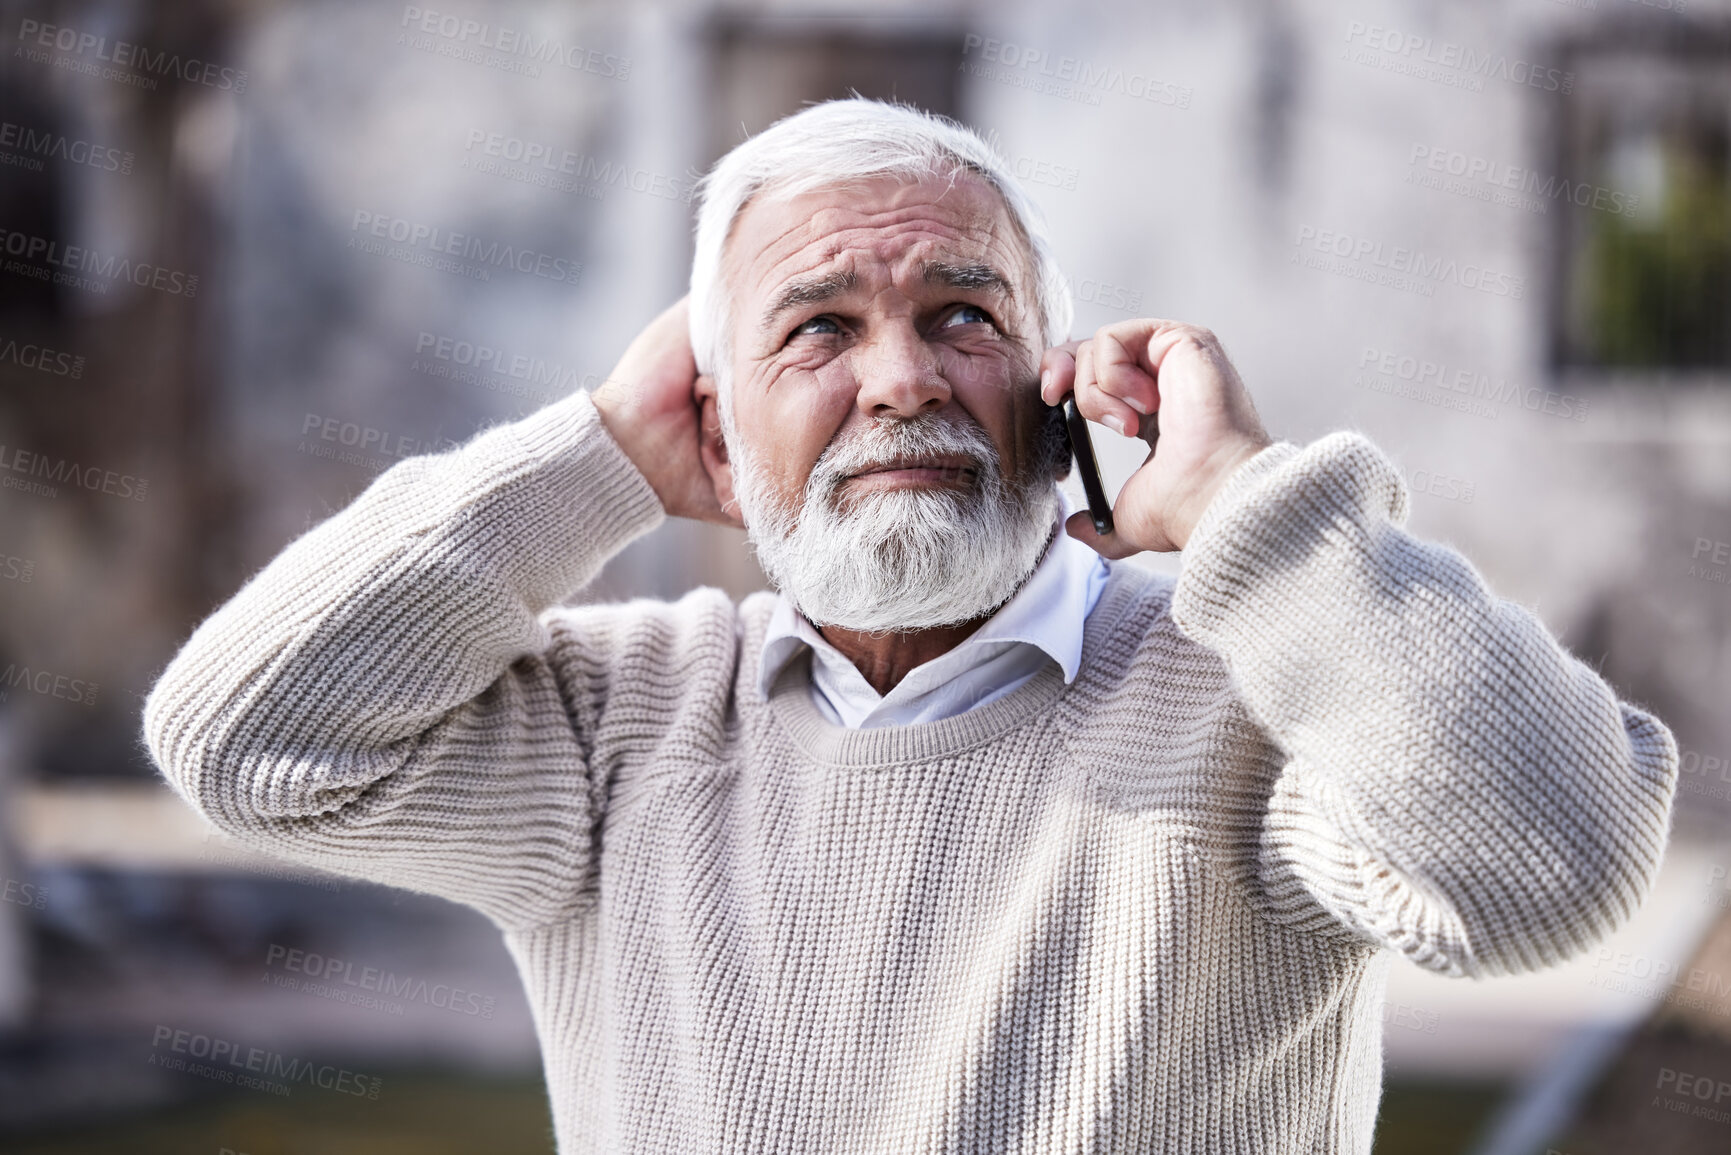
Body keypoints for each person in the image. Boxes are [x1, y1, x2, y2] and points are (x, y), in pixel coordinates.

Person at [141, 98, 1679, 1154]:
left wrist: (1243, 507)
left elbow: (1551, 870)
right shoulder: (617, 728)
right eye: (817, 327)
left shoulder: (1256, 694)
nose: (902, 379)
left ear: (1061, 380)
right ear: (717, 431)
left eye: (965, 314)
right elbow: (242, 740)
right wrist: (596, 458)